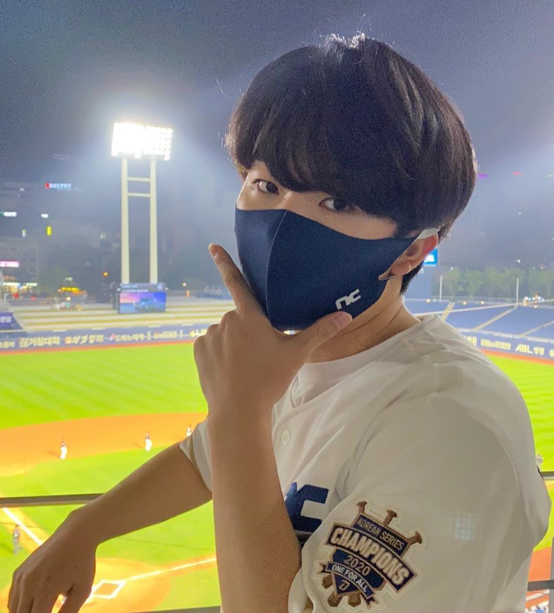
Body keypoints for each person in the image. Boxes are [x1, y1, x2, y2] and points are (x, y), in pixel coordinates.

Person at [9, 34, 550, 613]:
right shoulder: (294, 365)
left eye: (336, 202)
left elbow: (232, 442)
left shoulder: (455, 427)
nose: (283, 222)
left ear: (412, 250)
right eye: (266, 185)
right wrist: (85, 526)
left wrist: (238, 411)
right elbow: (204, 459)